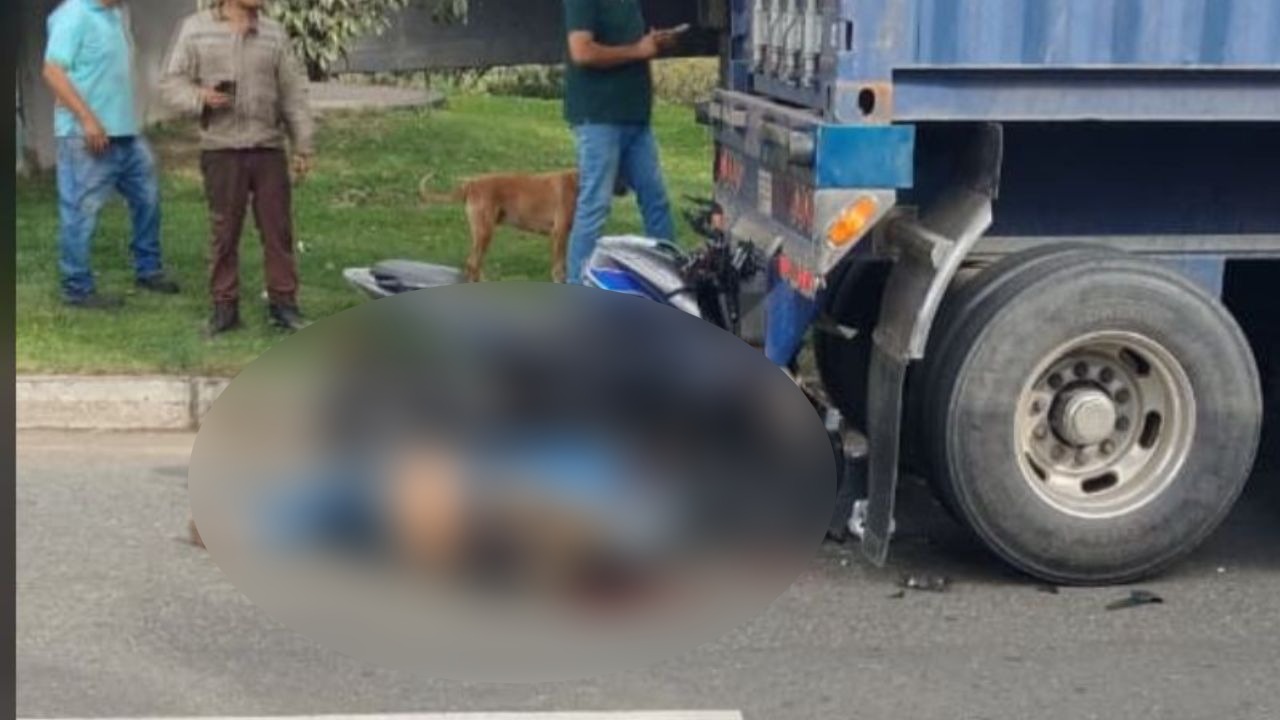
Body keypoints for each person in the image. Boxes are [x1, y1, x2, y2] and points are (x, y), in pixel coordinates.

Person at [159, 0, 313, 334]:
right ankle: (224, 308)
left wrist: (303, 143)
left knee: (278, 231)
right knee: (224, 232)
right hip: (221, 149)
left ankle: (284, 306)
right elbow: (172, 84)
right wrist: (201, 96)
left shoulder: (274, 34)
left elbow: (292, 93)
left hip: (268, 147)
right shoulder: (196, 28)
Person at [43, 0, 181, 309]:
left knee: (147, 200)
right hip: (85, 136)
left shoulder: (115, 14)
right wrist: (88, 119)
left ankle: (148, 269)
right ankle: (76, 287)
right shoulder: (73, 14)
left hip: (125, 134)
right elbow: (52, 71)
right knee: (80, 213)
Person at [562, 0, 680, 284]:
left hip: (635, 117)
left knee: (656, 201)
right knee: (594, 206)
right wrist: (638, 50)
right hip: (599, 117)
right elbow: (582, 51)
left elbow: (631, 45)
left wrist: (655, 43)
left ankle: (670, 284)